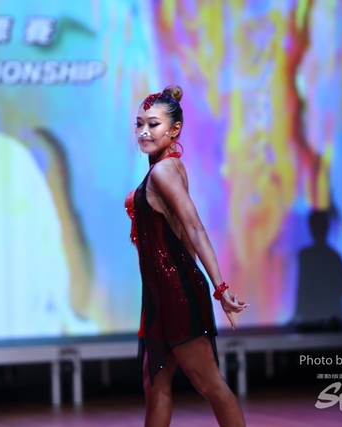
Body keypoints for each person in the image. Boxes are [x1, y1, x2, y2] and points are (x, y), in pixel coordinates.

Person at [125, 85, 248, 427]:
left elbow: (194, 228)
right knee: (155, 384)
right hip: (162, 293)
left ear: (174, 129)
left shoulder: (164, 171)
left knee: (208, 383)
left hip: (175, 292)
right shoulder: (168, 167)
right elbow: (181, 234)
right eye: (139, 124)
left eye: (153, 124)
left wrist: (219, 289)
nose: (144, 132)